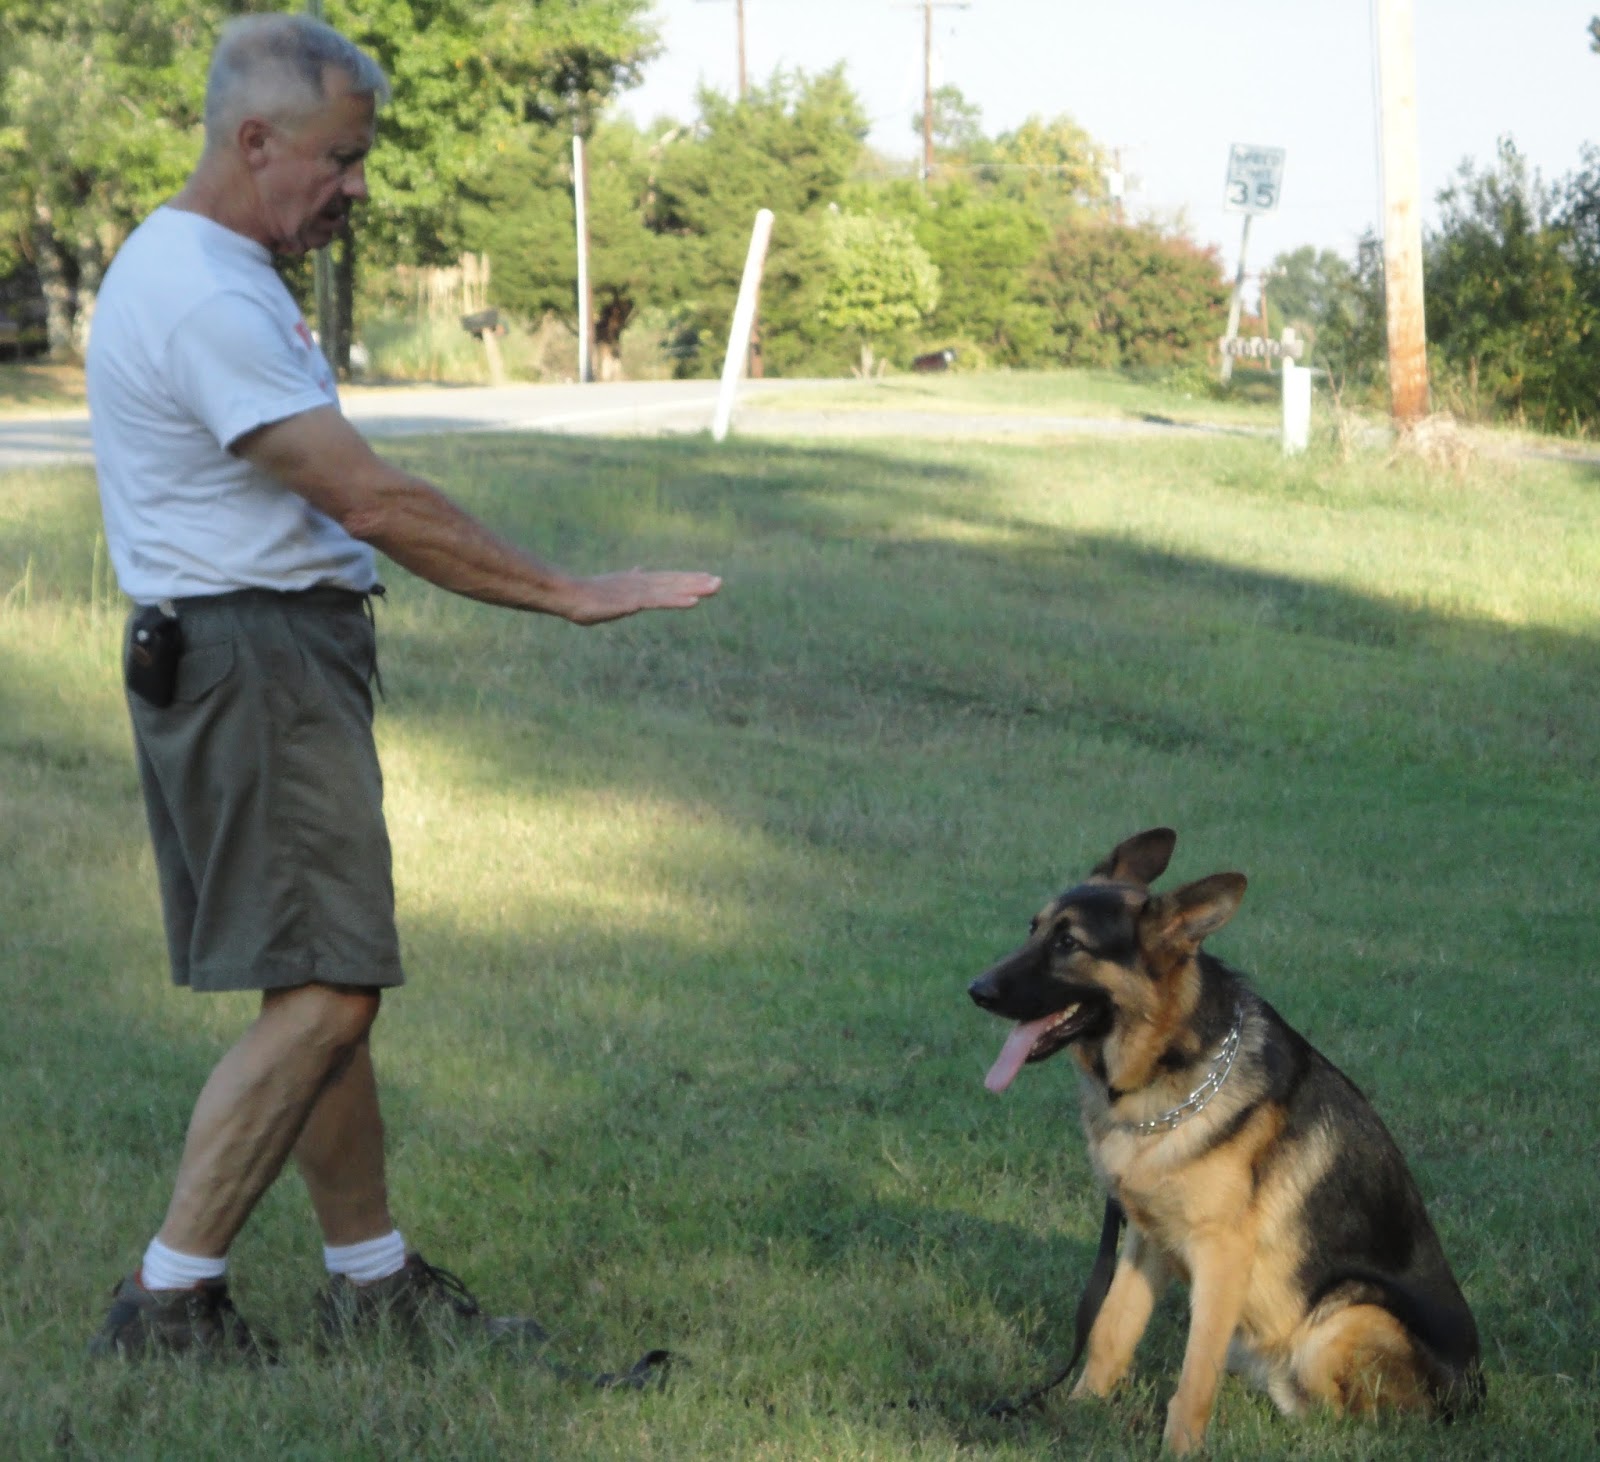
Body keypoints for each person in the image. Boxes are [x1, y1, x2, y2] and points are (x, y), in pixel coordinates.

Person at [84, 12, 719, 1361]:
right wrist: (568, 588)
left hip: (251, 652)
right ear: (255, 141)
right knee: (327, 994)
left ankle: (370, 1281)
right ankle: (168, 1296)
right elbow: (367, 494)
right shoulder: (201, 287)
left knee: (319, 981)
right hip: (254, 660)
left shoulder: (212, 261)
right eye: (340, 158)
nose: (356, 186)